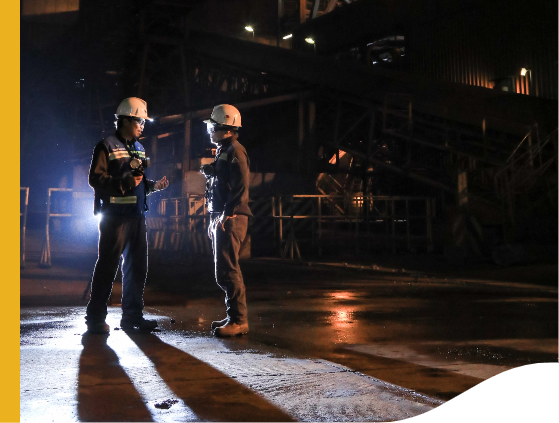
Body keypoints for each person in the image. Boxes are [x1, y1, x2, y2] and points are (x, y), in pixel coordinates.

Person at [85, 97, 169, 334]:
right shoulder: (106, 146)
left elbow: (137, 183)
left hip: (136, 217)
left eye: (144, 121)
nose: (143, 125)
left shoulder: (139, 148)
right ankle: (95, 318)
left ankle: (132, 317)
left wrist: (153, 186)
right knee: (108, 267)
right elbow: (95, 178)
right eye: (140, 121)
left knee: (137, 268)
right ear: (126, 120)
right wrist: (123, 183)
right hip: (114, 217)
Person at [201, 104, 252, 337]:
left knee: (229, 268)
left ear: (227, 128)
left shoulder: (235, 150)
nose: (210, 131)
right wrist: (212, 171)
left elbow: (240, 186)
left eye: (213, 126)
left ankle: (239, 321)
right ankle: (233, 316)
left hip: (230, 217)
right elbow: (226, 180)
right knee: (223, 269)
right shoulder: (224, 149)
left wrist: (226, 213)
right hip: (222, 216)